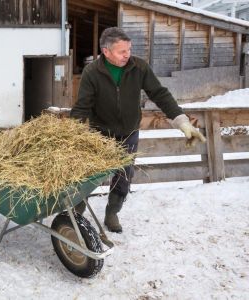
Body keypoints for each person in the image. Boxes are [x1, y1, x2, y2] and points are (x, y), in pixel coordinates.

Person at [71, 27, 206, 233]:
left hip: (129, 133)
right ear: (106, 52)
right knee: (89, 173)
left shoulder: (138, 67)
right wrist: (71, 134)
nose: (127, 55)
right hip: (99, 134)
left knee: (124, 176)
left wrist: (182, 121)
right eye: (122, 51)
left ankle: (112, 212)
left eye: (129, 49)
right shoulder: (92, 72)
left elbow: (159, 93)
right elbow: (82, 106)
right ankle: (76, 212)